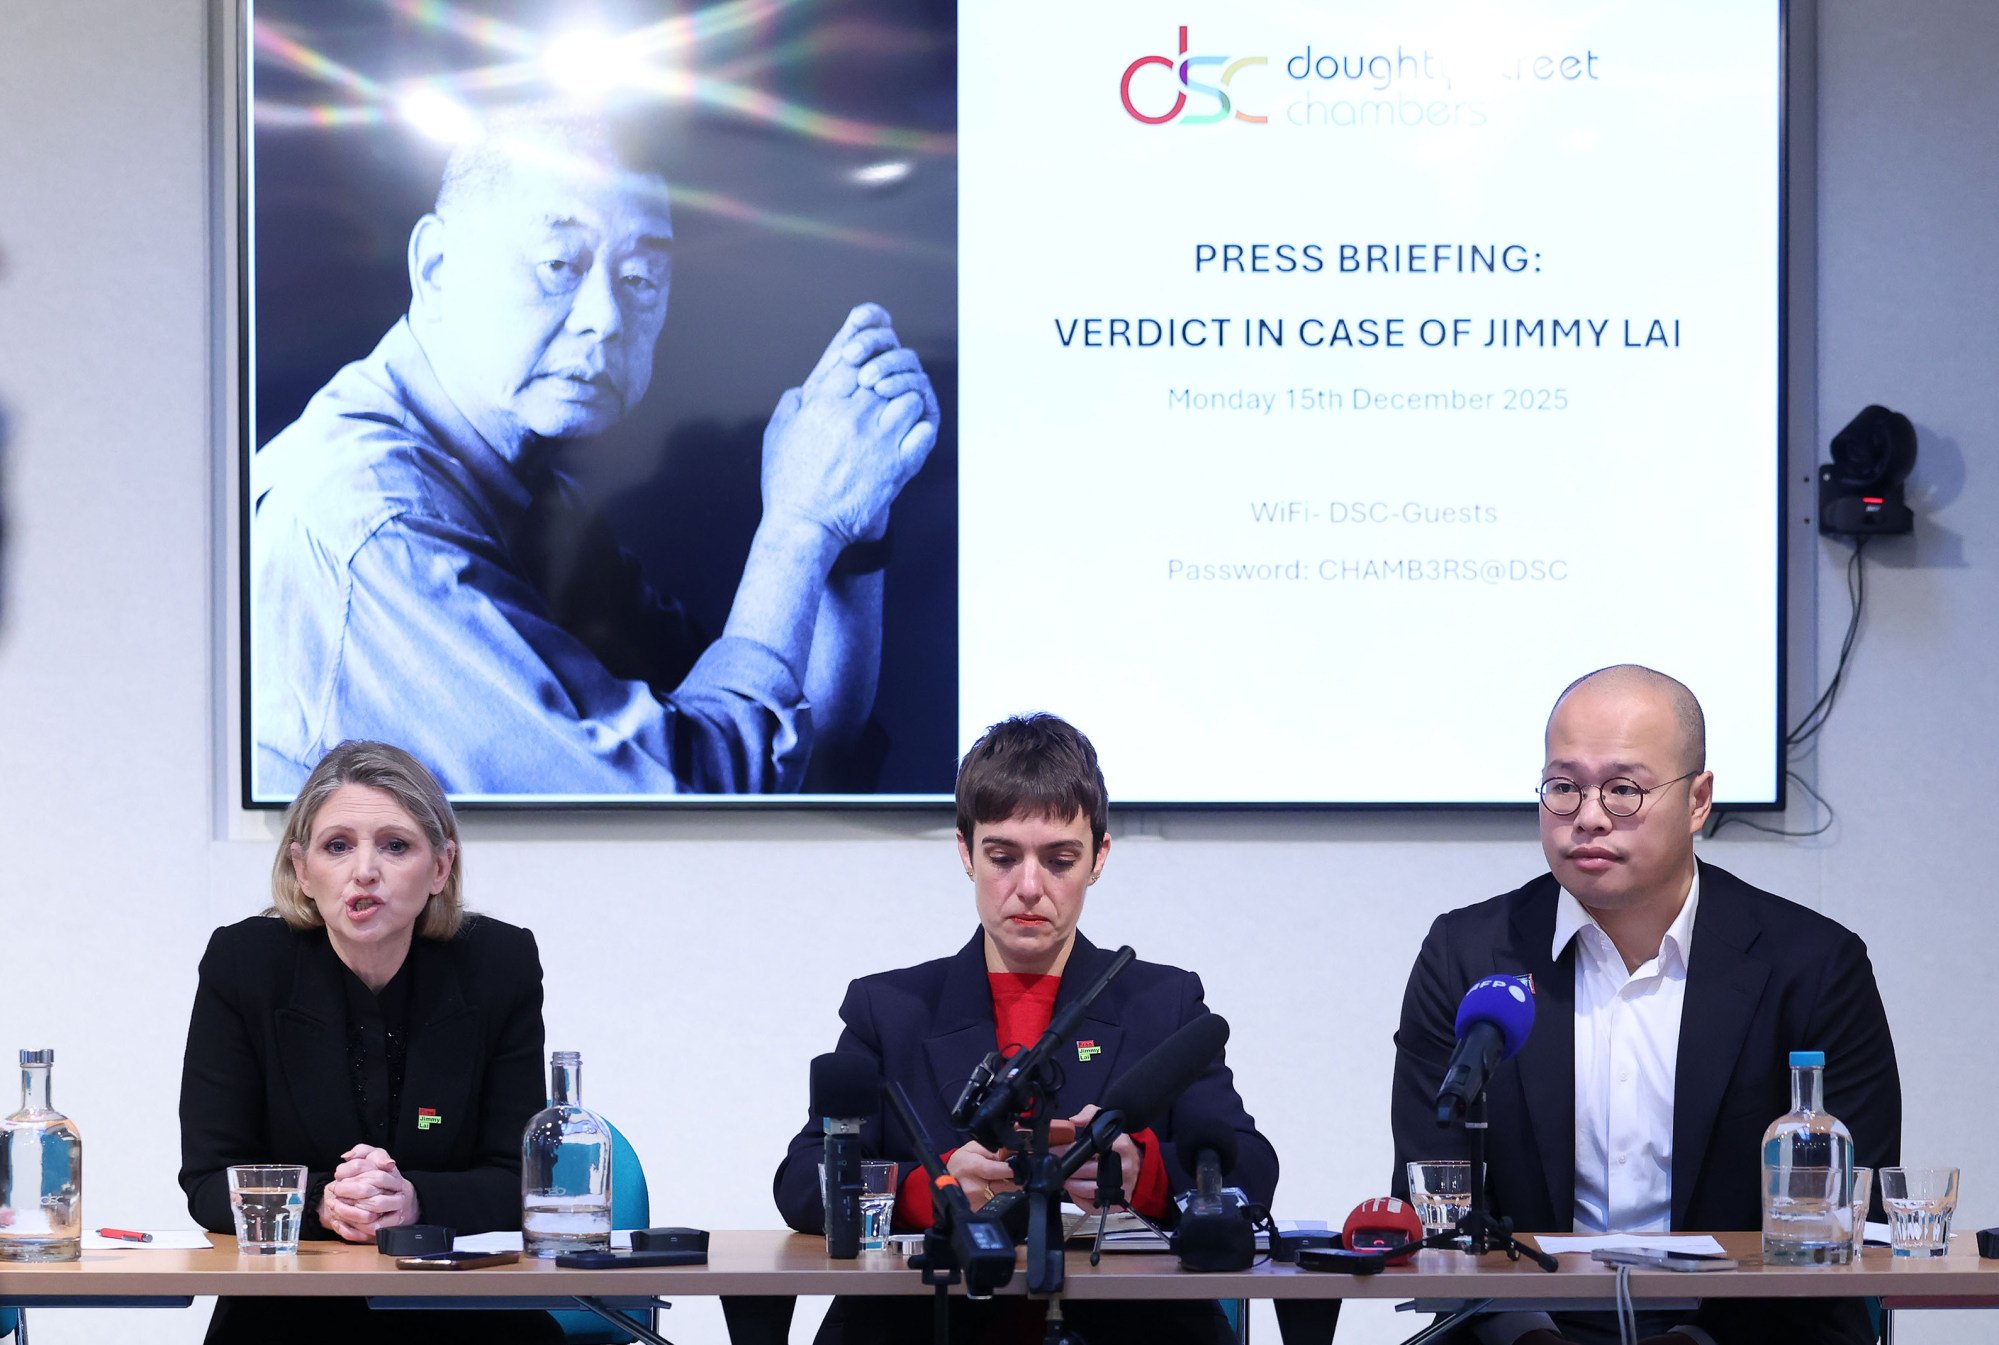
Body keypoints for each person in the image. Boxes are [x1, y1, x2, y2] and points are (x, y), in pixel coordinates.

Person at [250, 107, 939, 799]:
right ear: (434, 268)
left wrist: (851, 517)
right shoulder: (376, 529)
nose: (606, 318)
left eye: (639, 277)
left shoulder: (522, 490)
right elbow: (687, 813)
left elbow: (789, 742)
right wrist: (799, 527)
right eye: (557, 264)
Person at [1389, 665, 1901, 1345]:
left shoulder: (1810, 965)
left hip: (1748, 1329)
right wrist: (1527, 1334)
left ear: (1697, 800)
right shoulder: (1469, 957)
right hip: (1518, 1330)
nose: (1588, 815)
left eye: (1623, 788)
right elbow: (1435, 1200)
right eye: (1563, 786)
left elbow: (1844, 1220)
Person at [773, 713, 1279, 1344]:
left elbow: (1254, 1171)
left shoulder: (1163, 1002)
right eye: (1003, 857)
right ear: (965, 852)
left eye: (1060, 859)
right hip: (926, 1327)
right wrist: (937, 1194)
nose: (1030, 887)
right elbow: (801, 1182)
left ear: (1099, 857)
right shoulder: (891, 1008)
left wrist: (1143, 1173)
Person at [179, 740, 556, 1344]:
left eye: (395, 845)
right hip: (291, 1315)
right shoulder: (246, 964)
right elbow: (207, 1182)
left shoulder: (497, 963)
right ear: (302, 869)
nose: (364, 871)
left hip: (465, 1309)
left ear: (440, 868)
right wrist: (324, 1206)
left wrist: (412, 1201)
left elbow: (522, 1179)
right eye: (337, 846)